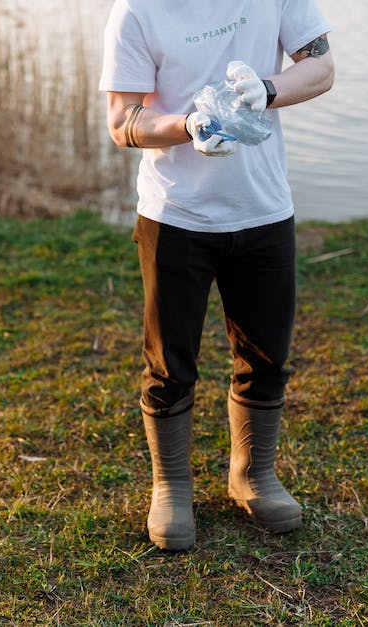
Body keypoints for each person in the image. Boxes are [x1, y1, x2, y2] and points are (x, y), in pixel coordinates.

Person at [99, 0, 335, 550]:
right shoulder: (137, 11)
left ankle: (252, 477)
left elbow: (321, 67)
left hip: (263, 210)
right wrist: (186, 125)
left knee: (266, 354)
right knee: (169, 363)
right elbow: (121, 120)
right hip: (175, 215)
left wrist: (267, 90)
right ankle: (172, 487)